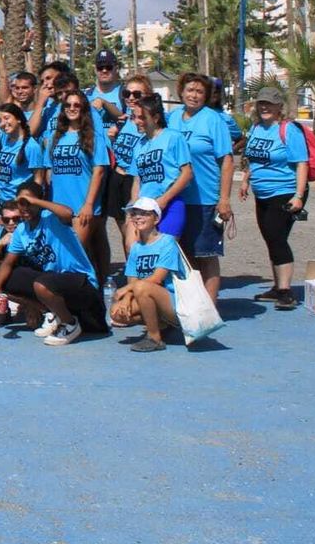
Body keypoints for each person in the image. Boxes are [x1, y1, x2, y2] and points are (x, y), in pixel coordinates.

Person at [0, 181, 104, 346]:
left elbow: (68, 212)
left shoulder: (51, 219)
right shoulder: (21, 231)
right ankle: (54, 312)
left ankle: (70, 324)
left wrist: (34, 200)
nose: (25, 207)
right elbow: (7, 263)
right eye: (21, 203)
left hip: (81, 281)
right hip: (53, 279)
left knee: (42, 285)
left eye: (29, 203)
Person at [167, 72, 235, 301]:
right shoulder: (172, 118)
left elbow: (226, 160)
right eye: (190, 90)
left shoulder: (213, 119)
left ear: (206, 96)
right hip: (177, 199)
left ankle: (210, 309)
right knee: (185, 256)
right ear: (181, 92)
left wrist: (224, 199)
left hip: (206, 198)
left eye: (199, 92)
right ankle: (192, 305)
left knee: (206, 255)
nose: (194, 95)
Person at [243, 87, 309, 310]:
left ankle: (286, 291)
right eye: (261, 103)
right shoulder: (256, 128)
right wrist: (246, 180)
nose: (264, 107)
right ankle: (277, 286)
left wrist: (298, 196)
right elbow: (254, 159)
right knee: (270, 238)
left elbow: (302, 163)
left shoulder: (289, 130)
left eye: (269, 104)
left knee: (277, 237)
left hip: (285, 191)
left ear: (279, 107)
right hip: (261, 193)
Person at [43, 90, 111, 284]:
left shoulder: (93, 137)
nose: (72, 109)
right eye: (68, 105)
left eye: (77, 105)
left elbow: (99, 171)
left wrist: (89, 204)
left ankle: (93, 297)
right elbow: (49, 173)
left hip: (82, 207)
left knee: (74, 255)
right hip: (59, 207)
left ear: (83, 109)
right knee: (62, 257)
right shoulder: (56, 138)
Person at [112, 196, 188, 352]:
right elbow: (132, 279)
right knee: (117, 313)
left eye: (145, 213)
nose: (138, 217)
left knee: (142, 287)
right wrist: (126, 298)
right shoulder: (135, 248)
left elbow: (157, 278)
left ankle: (154, 338)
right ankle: (161, 324)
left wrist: (126, 290)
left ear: (156, 219)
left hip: (177, 302)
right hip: (149, 295)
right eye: (134, 213)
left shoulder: (167, 242)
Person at [97, 75, 150, 280]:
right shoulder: (126, 119)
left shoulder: (147, 120)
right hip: (117, 179)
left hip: (134, 180)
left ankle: (142, 279)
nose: (131, 97)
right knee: (124, 234)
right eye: (127, 93)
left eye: (137, 94)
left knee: (136, 234)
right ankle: (133, 275)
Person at [129, 93, 193, 239]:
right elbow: (137, 180)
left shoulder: (173, 137)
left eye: (142, 117)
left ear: (156, 118)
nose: (137, 121)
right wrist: (135, 206)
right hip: (144, 208)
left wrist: (164, 200)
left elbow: (187, 173)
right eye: (135, 117)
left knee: (164, 249)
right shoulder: (139, 144)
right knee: (138, 249)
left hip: (170, 204)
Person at [0, 103, 46, 207]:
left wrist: (31, 202)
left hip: (19, 203)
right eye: (0, 120)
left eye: (7, 118)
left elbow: (38, 178)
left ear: (18, 119)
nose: (3, 123)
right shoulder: (6, 141)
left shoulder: (31, 146)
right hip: (3, 201)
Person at [87, 50, 126, 123]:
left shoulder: (126, 93)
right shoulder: (87, 95)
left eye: (109, 67)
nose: (104, 70)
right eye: (100, 67)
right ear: (95, 69)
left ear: (116, 69)